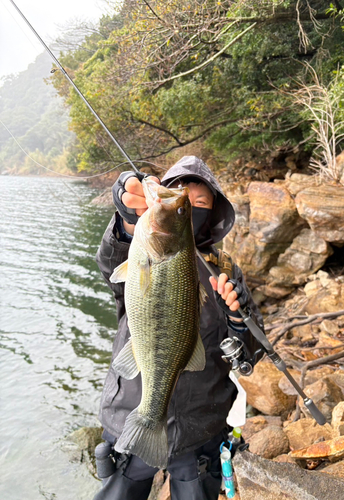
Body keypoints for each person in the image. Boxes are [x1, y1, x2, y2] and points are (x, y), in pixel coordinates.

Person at [93, 156, 264, 500]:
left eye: (198, 203)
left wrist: (239, 315)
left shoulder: (225, 269)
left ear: (213, 214)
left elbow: (250, 352)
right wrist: (127, 219)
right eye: (179, 193)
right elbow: (113, 262)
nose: (186, 202)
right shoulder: (138, 246)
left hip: (199, 427)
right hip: (131, 413)